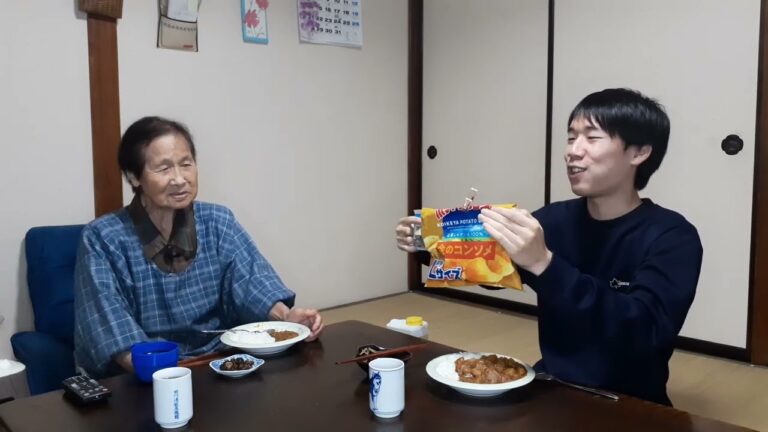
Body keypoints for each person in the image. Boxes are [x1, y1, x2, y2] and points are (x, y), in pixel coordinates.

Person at [396, 88, 702, 405]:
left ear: (638, 152)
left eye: (591, 137)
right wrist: (428, 244)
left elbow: (645, 331)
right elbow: (496, 270)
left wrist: (544, 264)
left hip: (630, 401)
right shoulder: (555, 219)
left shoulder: (673, 237)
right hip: (552, 383)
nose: (573, 151)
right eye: (571, 138)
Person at [74, 116, 324, 378]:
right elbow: (110, 324)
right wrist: (163, 376)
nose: (180, 179)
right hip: (144, 373)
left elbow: (251, 281)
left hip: (219, 363)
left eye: (186, 164)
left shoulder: (217, 220)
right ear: (133, 176)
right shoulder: (102, 237)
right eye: (164, 169)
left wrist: (286, 320)